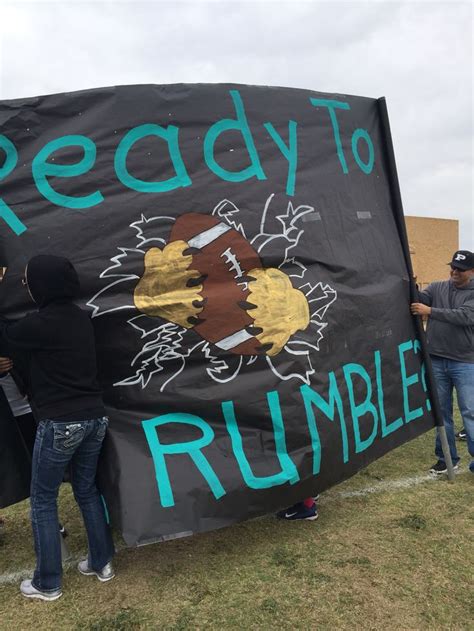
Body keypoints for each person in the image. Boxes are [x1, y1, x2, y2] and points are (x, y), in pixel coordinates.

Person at [0, 255, 115, 601]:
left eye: (26, 282)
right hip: (95, 417)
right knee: (86, 490)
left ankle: (47, 583)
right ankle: (102, 562)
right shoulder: (82, 319)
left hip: (61, 424)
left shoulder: (38, 325)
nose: (25, 288)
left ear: (41, 286)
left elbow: (6, 338)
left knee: (43, 500)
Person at [410, 249, 474, 475]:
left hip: (465, 362)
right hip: (436, 360)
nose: (454, 271)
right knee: (441, 412)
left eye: (460, 269)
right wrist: (412, 285)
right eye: (453, 267)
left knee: (469, 412)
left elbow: (465, 316)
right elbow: (420, 300)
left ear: (472, 272)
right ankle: (446, 459)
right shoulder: (438, 287)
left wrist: (430, 311)